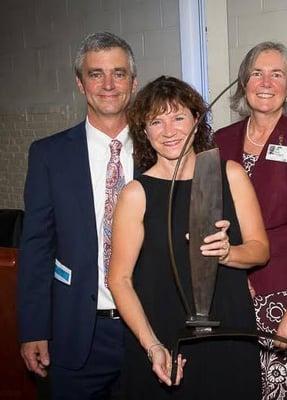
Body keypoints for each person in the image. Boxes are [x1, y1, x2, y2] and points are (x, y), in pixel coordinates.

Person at [107, 75, 269, 399]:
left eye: (179, 117)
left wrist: (228, 253)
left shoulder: (230, 174)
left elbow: (260, 250)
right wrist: (151, 344)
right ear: (144, 131)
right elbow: (119, 280)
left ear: (196, 120)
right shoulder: (136, 194)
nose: (169, 131)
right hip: (163, 335)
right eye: (156, 121)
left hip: (229, 330)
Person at [17, 32, 138, 399]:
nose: (108, 85)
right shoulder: (49, 155)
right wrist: (33, 328)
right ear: (80, 83)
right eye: (95, 73)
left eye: (118, 73)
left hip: (148, 333)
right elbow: (37, 247)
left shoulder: (160, 152)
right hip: (75, 335)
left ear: (133, 82)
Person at [215, 42, 287, 399]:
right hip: (232, 290)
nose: (265, 82)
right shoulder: (220, 140)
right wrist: (235, 271)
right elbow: (211, 215)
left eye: (276, 74)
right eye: (257, 73)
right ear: (243, 83)